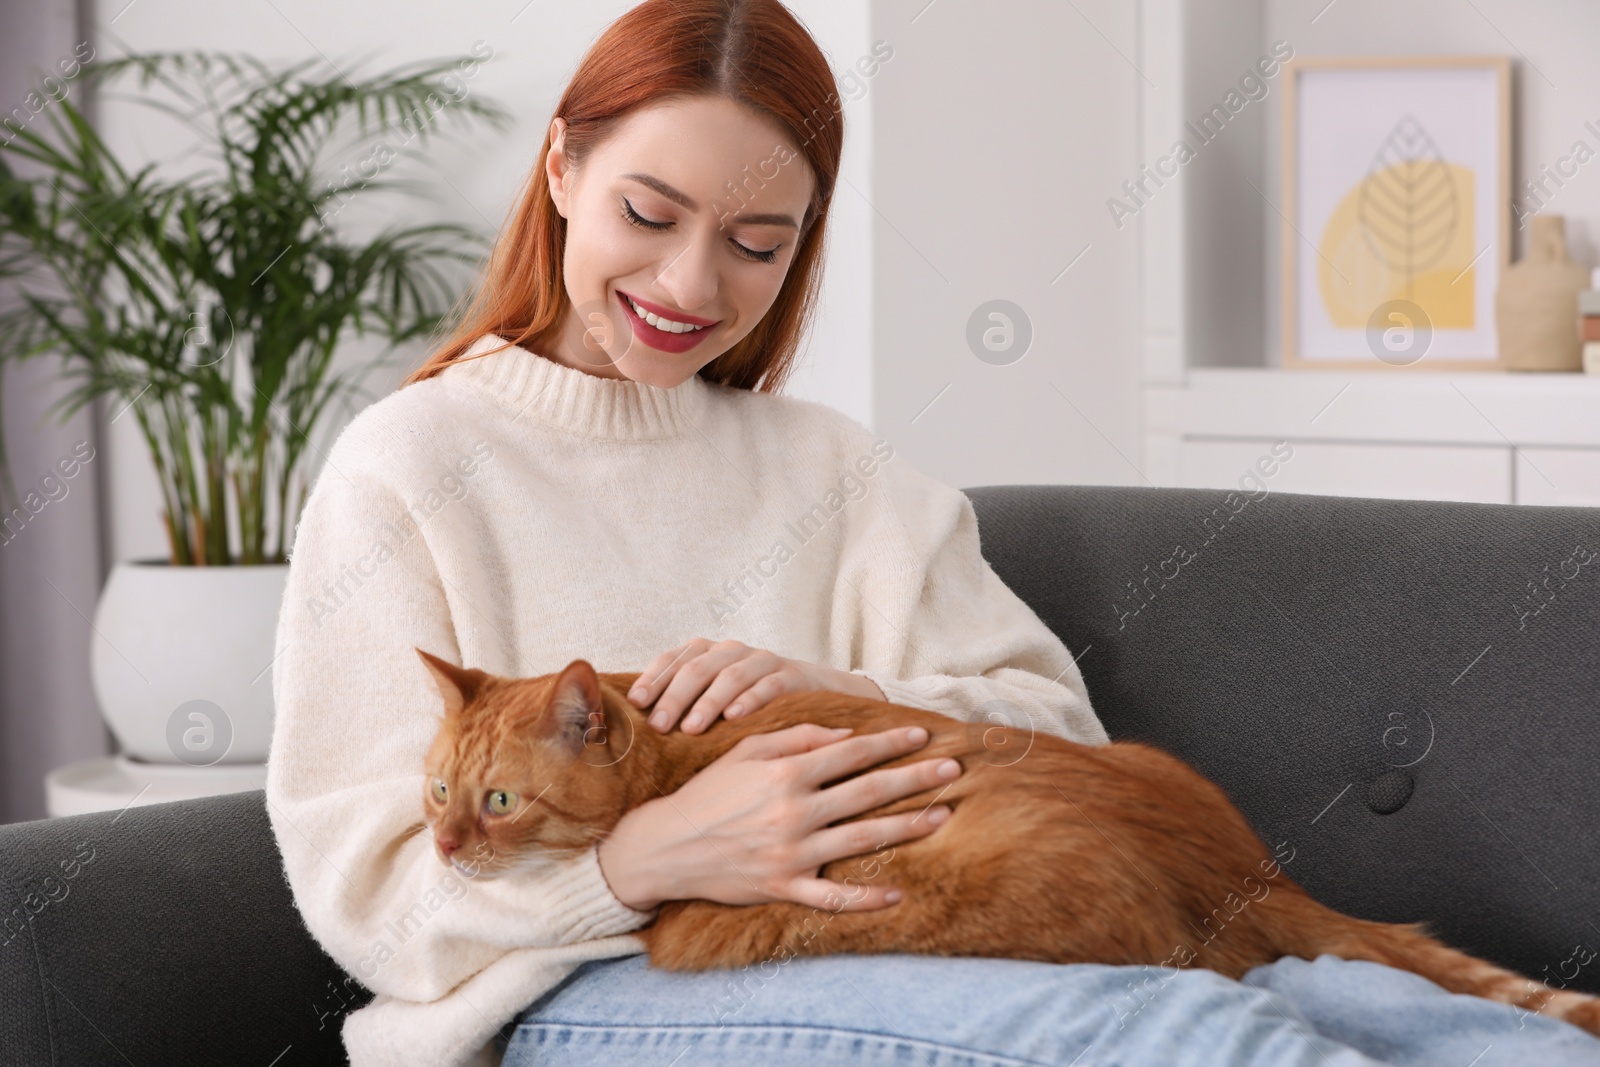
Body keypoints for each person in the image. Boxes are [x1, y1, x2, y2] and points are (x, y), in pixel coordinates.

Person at [265, 3, 1600, 1066]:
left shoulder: (835, 467)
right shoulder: (410, 467)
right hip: (573, 996)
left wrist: (846, 693)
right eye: (650, 215)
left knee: (1407, 1019)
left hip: (900, 940)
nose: (690, 285)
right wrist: (636, 861)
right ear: (563, 167)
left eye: (757, 242)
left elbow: (1058, 742)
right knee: (1175, 1035)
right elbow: (371, 903)